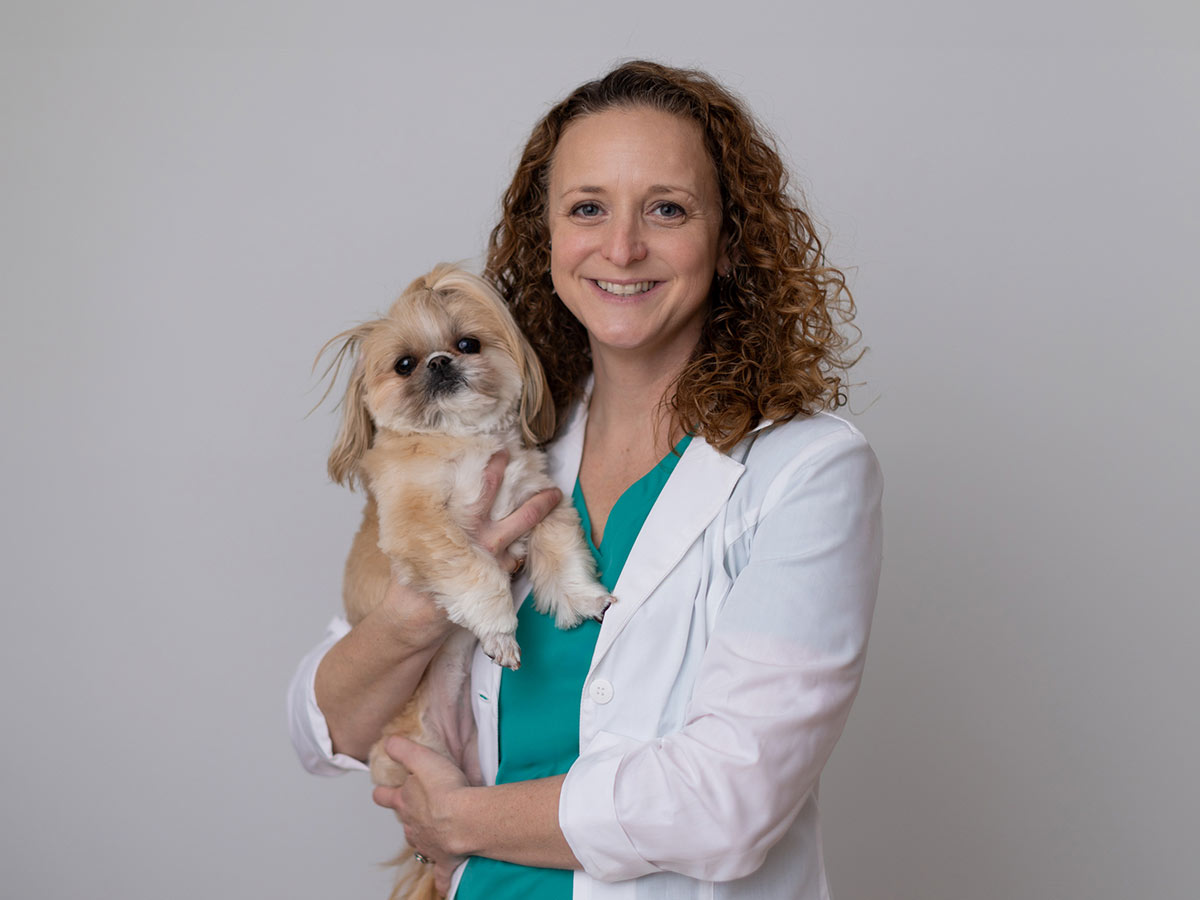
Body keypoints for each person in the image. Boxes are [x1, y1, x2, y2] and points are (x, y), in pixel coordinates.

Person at [288, 60, 883, 900]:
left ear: (729, 237)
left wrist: (460, 820)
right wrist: (422, 606)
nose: (622, 247)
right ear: (549, 239)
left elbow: (731, 800)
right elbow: (321, 729)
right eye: (587, 209)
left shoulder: (808, 472)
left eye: (667, 209)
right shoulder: (508, 446)